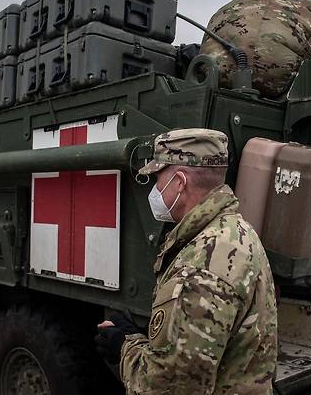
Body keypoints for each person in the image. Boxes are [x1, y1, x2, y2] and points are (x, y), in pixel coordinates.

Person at [95, 128, 278, 394]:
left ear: (179, 182)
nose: (155, 189)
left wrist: (123, 348)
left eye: (158, 178)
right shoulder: (237, 231)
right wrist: (148, 338)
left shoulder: (199, 269)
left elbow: (169, 388)